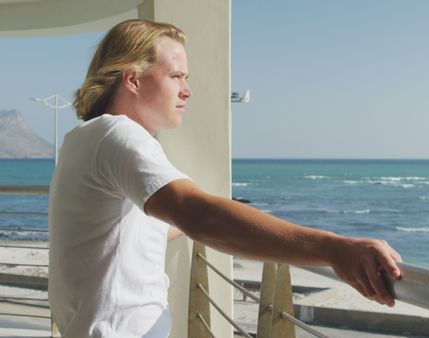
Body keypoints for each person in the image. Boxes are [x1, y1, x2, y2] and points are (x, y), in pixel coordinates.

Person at [48, 19, 402, 338]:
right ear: (133, 79)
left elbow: (150, 227)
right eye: (176, 76)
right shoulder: (119, 136)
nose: (187, 90)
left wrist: (249, 221)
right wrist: (334, 248)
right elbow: (196, 213)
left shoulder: (83, 140)